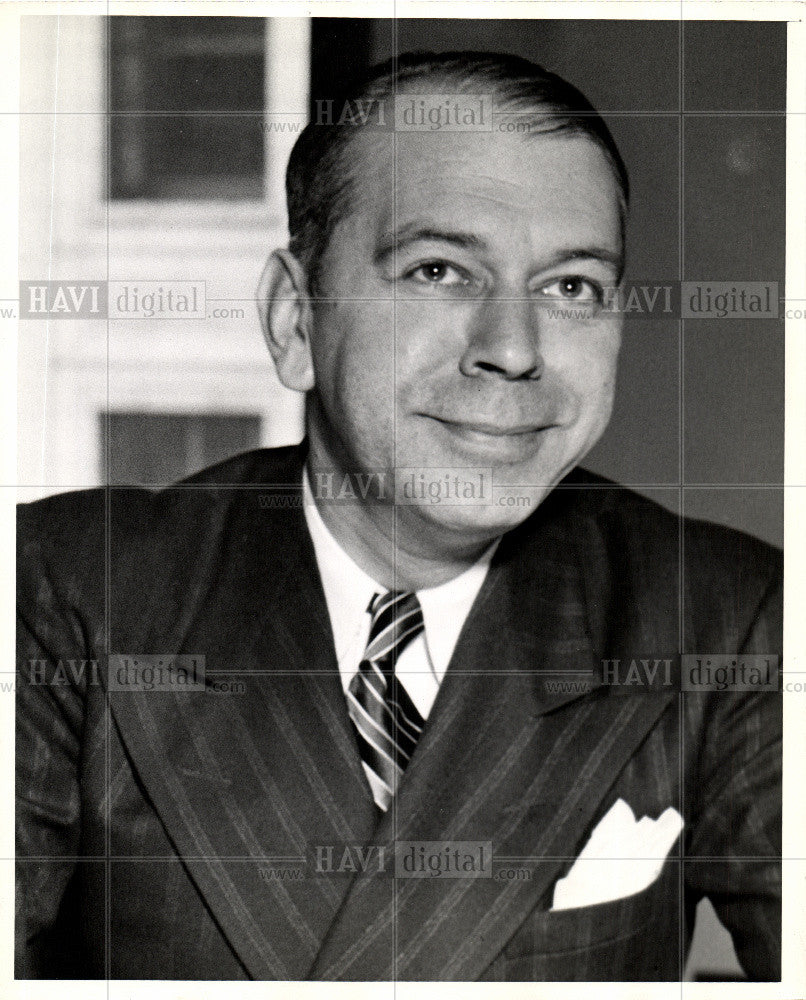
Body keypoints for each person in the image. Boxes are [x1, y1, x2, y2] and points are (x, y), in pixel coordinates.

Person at [16, 51, 781, 981]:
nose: (513, 349)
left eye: (571, 286)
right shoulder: (68, 590)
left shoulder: (727, 618)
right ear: (296, 322)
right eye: (439, 270)